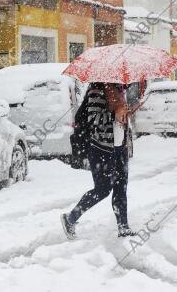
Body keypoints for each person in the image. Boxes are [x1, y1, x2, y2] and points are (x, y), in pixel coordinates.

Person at [61, 82, 142, 239]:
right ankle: (70, 218)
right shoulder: (96, 89)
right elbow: (94, 120)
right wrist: (114, 114)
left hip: (120, 147)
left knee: (121, 187)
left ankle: (123, 227)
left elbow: (119, 119)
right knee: (102, 189)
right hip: (101, 148)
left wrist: (126, 114)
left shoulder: (119, 89)